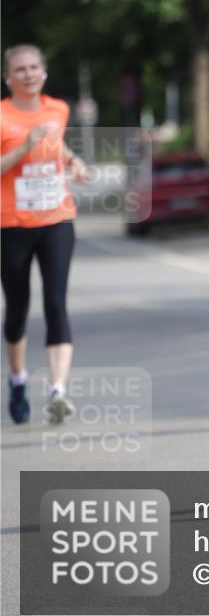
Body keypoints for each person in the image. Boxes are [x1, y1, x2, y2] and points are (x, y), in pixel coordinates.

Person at [1, 44, 89, 425]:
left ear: (44, 72)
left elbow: (56, 147)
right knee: (18, 309)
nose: (28, 74)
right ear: (8, 78)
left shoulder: (58, 109)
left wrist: (74, 161)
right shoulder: (2, 115)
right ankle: (18, 380)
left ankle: (58, 391)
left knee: (56, 303)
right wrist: (24, 144)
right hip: (12, 224)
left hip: (56, 217)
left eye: (34, 67)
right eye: (20, 69)